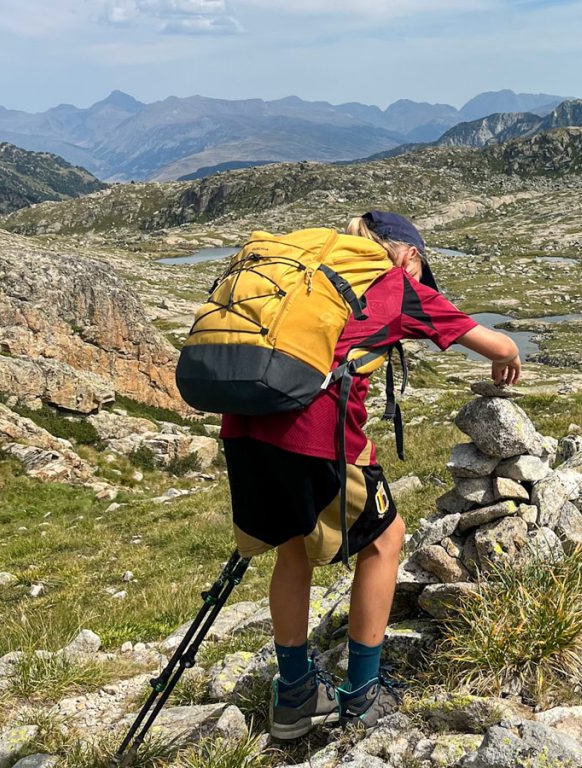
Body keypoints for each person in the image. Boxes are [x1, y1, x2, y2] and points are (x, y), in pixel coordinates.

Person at [218, 211, 521, 739]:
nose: (420, 282)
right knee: (386, 540)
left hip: (244, 425)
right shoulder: (394, 281)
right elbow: (496, 343)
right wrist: (508, 356)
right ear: (409, 255)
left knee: (292, 549)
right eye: (421, 270)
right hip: (314, 435)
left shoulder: (313, 270)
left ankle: (293, 696)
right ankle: (362, 696)